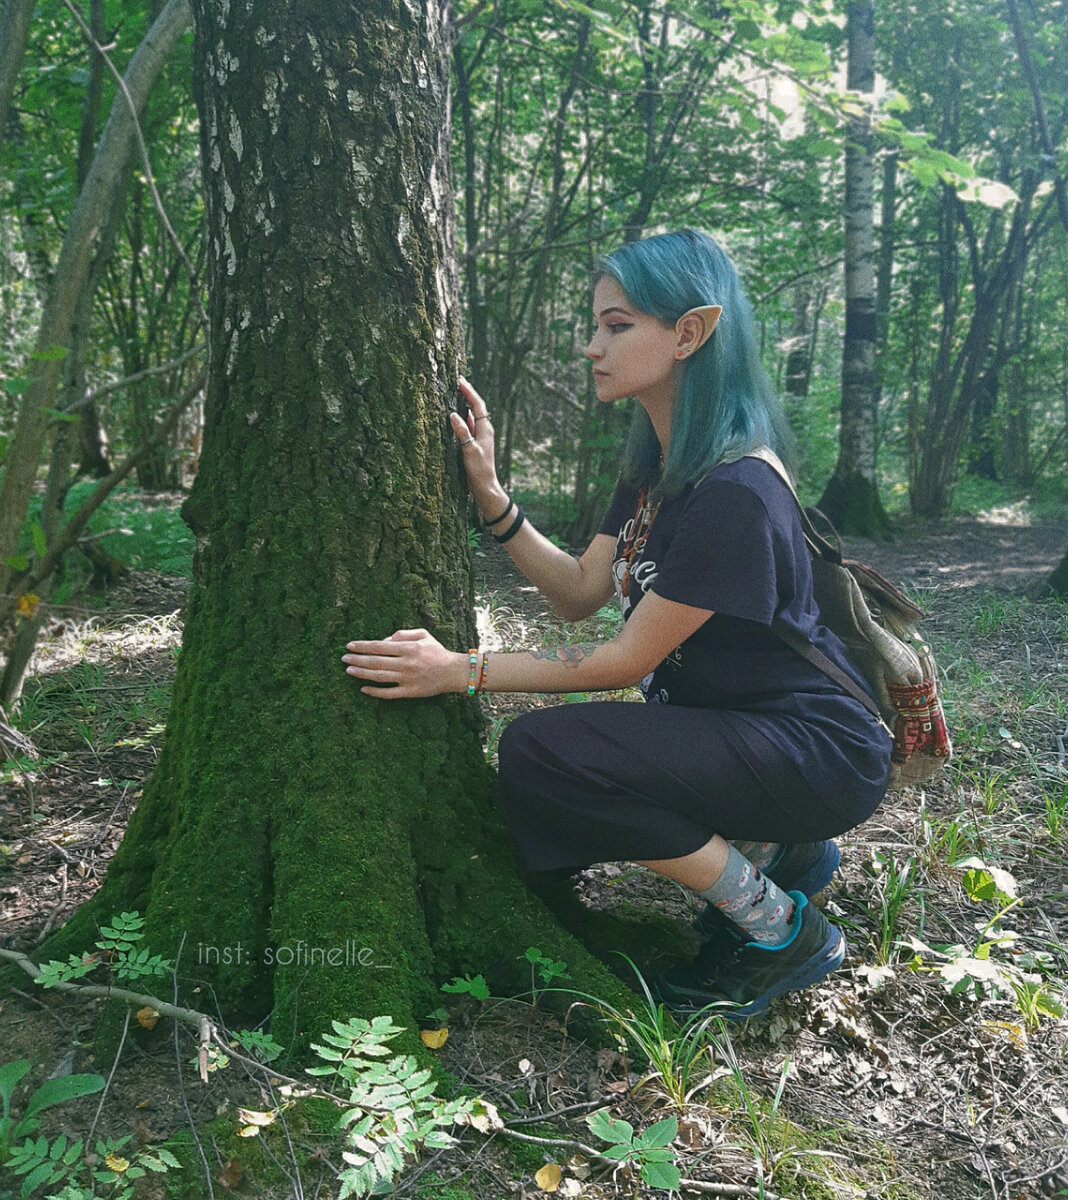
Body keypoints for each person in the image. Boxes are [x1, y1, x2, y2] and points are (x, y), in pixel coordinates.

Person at [342, 229, 892, 1018]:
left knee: (545, 753)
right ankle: (778, 850)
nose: (592, 347)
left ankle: (781, 929)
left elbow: (625, 658)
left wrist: (460, 670)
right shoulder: (657, 470)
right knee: (548, 766)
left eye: (617, 325)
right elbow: (579, 592)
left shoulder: (736, 490)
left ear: (689, 334)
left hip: (817, 749)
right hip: (750, 733)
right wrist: (492, 497)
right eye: (596, 325)